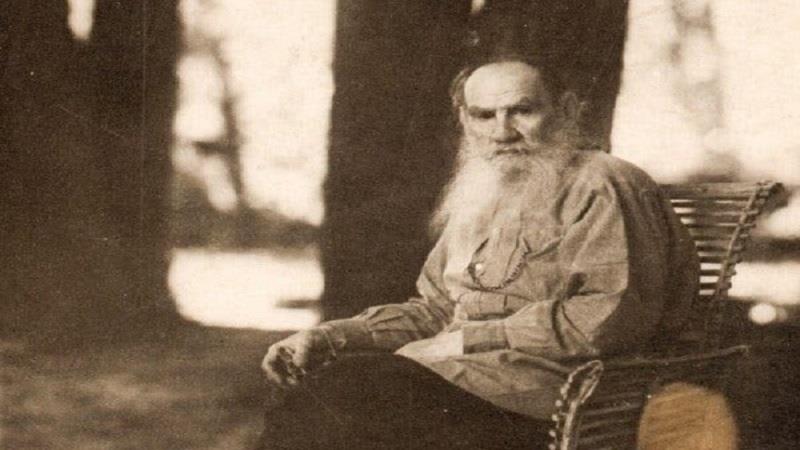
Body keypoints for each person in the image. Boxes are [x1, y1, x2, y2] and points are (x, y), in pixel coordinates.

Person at [258, 56, 699, 450]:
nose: (502, 132)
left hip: (555, 398)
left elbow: (613, 316)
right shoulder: (483, 189)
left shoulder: (603, 184)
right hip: (462, 381)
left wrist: (472, 339)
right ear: (465, 120)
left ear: (565, 109)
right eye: (484, 115)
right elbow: (436, 309)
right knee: (319, 387)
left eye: (522, 111)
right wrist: (331, 336)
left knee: (346, 394)